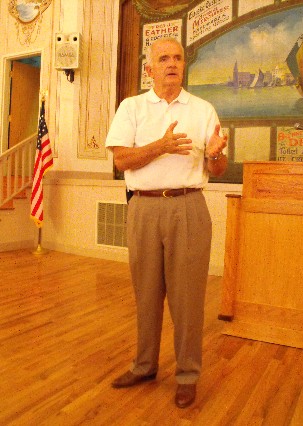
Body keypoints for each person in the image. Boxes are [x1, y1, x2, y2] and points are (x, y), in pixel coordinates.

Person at [105, 37, 227, 409]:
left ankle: (187, 375)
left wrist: (214, 155)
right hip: (142, 208)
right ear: (149, 69)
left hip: (188, 207)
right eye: (163, 58)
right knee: (146, 296)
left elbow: (217, 168)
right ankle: (144, 366)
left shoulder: (204, 110)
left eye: (177, 58)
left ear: (183, 66)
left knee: (188, 300)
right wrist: (161, 145)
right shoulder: (131, 108)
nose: (171, 63)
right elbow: (121, 161)